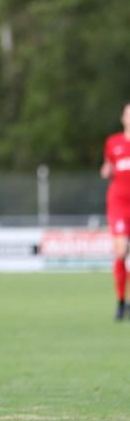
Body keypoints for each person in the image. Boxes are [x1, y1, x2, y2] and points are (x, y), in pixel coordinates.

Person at [100, 102, 130, 321]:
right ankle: (121, 302)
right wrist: (106, 170)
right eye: (128, 114)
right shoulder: (113, 142)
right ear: (123, 118)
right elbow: (106, 168)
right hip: (119, 202)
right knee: (120, 251)